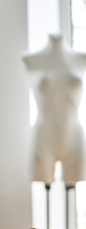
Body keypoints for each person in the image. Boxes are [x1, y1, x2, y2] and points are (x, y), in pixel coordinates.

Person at [22, 34, 86, 187]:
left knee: (72, 186)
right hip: (45, 136)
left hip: (73, 134)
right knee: (45, 188)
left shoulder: (81, 58)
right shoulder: (31, 60)